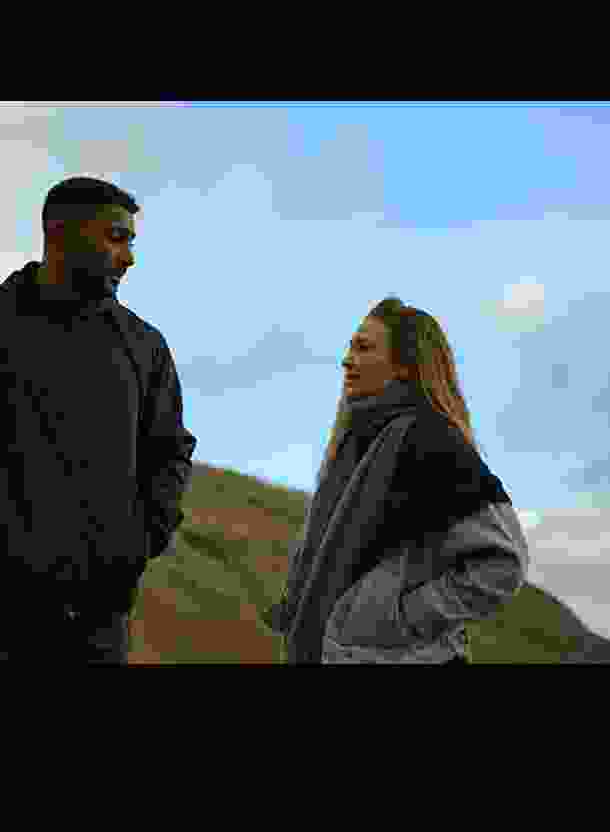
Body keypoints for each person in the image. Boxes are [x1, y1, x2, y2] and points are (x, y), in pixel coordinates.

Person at [1, 176, 530, 664]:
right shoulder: (360, 443)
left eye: (364, 347)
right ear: (60, 233)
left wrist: (133, 549)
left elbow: (169, 452)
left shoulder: (141, 347)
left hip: (97, 617)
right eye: (116, 238)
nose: (129, 257)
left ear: (407, 363)